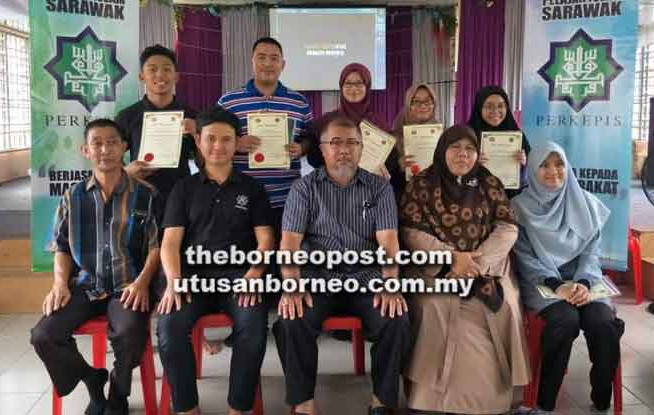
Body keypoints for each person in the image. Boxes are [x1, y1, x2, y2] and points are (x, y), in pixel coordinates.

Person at [273, 115, 411, 415]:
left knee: (396, 320)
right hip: (318, 278)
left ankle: (382, 402)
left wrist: (390, 285)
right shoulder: (304, 189)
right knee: (289, 321)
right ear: (322, 150)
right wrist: (292, 287)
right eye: (335, 143)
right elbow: (290, 244)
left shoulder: (379, 188)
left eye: (352, 143)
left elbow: (388, 242)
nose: (344, 150)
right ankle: (303, 403)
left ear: (362, 149)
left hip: (366, 278)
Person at [30, 119, 162, 415]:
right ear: (85, 150)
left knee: (130, 333)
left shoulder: (146, 195)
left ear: (124, 147)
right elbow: (61, 246)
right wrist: (60, 284)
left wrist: (142, 283)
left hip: (129, 284)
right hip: (85, 285)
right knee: (43, 335)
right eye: (97, 143)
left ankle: (117, 393)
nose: (105, 149)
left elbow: (157, 247)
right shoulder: (72, 197)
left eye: (112, 142)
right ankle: (91, 377)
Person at [400, 124, 530, 414]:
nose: (463, 154)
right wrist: (451, 258)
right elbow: (411, 232)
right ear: (441, 150)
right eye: (455, 147)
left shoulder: (489, 182)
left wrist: (475, 264)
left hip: (487, 268)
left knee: (506, 304)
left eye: (470, 149)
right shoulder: (421, 184)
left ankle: (495, 398)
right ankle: (428, 399)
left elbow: (507, 228)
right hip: (433, 269)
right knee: (434, 305)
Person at [156, 106, 274, 415]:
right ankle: (186, 409)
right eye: (211, 139)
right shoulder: (183, 189)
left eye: (226, 139)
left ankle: (239, 407)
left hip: (240, 276)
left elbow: (266, 241)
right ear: (198, 140)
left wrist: (254, 274)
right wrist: (174, 281)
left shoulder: (252, 188)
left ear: (237, 143)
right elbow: (170, 242)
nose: (218, 147)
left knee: (253, 328)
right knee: (169, 327)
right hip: (192, 278)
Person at [512, 141, 624, 412]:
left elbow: (591, 254)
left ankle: (601, 394)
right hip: (541, 283)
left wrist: (583, 283)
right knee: (564, 321)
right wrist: (557, 285)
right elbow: (525, 258)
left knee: (604, 323)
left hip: (584, 281)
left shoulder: (585, 203)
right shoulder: (519, 207)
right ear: (533, 170)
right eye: (544, 165)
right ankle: (545, 402)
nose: (554, 171)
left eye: (559, 164)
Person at [217, 36, 313, 231]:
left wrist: (301, 148)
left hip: (287, 197)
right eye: (261, 58)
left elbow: (310, 137)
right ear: (252, 62)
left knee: (283, 255)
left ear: (283, 64)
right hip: (241, 197)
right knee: (244, 256)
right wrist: (236, 143)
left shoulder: (298, 101)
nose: (268, 64)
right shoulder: (229, 102)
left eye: (274, 58)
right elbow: (213, 141)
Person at [115, 44, 198, 204]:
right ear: (141, 76)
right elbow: (111, 154)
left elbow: (205, 161)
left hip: (182, 198)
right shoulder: (128, 116)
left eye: (167, 69)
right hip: (140, 197)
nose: (160, 75)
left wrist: (197, 133)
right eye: (152, 69)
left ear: (176, 76)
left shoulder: (192, 116)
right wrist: (125, 173)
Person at [305, 63, 392, 179]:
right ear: (341, 86)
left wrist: (384, 169)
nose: (353, 89)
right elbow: (313, 158)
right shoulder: (327, 121)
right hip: (334, 187)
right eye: (348, 83)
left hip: (368, 187)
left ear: (367, 86)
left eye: (359, 83)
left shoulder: (378, 124)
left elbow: (389, 162)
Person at [467, 85, 531, 198]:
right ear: (479, 108)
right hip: (475, 198)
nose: (495, 111)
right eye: (489, 106)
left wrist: (524, 162)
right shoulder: (466, 135)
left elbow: (532, 171)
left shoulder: (517, 135)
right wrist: (471, 163)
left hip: (511, 199)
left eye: (501, 106)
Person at [390, 82, 440, 201]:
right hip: (404, 202)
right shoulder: (393, 139)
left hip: (434, 201)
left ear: (434, 104)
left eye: (428, 101)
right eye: (416, 101)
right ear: (408, 105)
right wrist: (399, 167)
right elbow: (385, 179)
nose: (423, 106)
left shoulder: (443, 136)